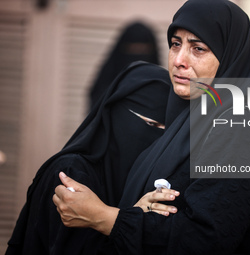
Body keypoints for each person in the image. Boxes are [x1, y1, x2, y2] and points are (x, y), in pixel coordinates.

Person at [53, 0, 250, 254]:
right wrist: (137, 212)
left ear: (230, 57)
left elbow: (203, 239)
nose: (179, 60)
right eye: (175, 44)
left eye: (198, 48)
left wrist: (103, 217)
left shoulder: (239, 130)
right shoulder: (185, 120)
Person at [5, 61, 172, 255]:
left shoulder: (148, 181)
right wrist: (127, 223)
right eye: (151, 124)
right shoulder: (71, 173)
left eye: (165, 132)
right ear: (117, 115)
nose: (156, 139)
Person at [89, 21, 160, 110]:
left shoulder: (162, 90)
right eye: (132, 49)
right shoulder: (104, 89)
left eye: (143, 50)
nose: (138, 57)